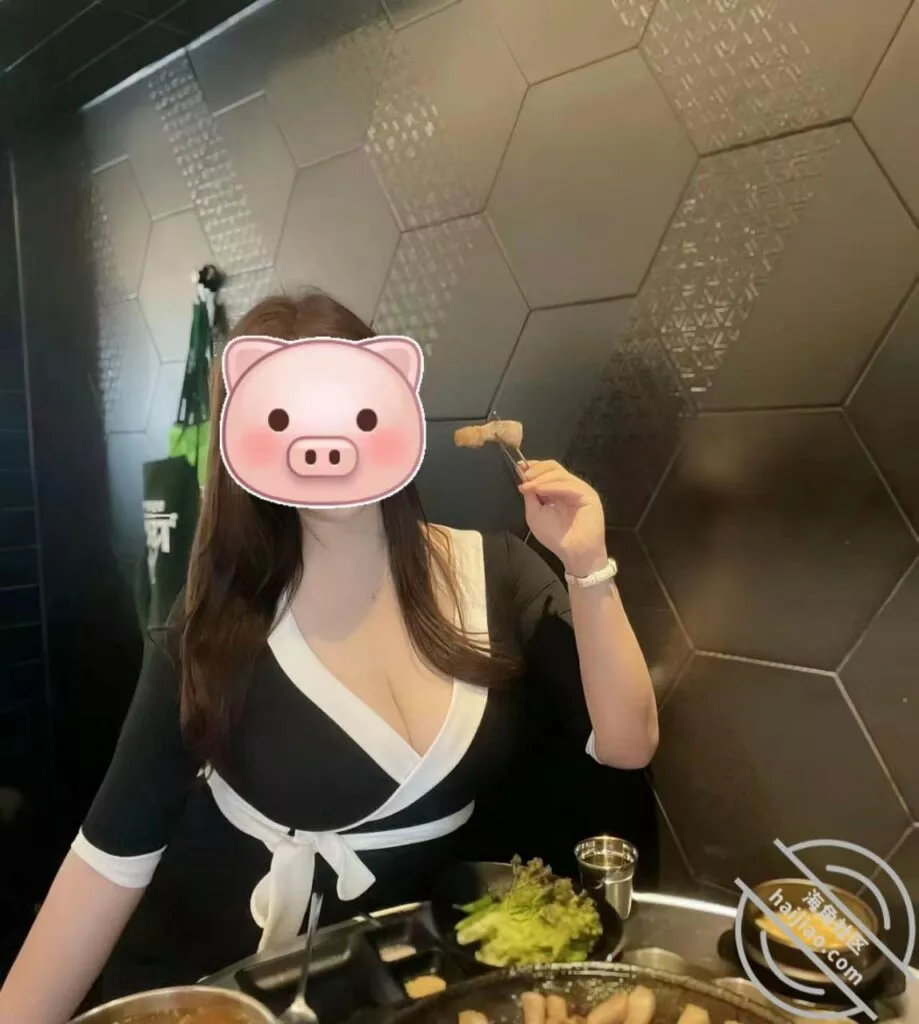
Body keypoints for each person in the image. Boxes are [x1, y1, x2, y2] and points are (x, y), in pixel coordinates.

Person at [0, 294, 657, 1024]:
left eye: (351, 410)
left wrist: (587, 565)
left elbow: (626, 744)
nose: (323, 444)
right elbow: (109, 859)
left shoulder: (495, 572)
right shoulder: (216, 626)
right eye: (284, 417)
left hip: (409, 983)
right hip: (231, 990)